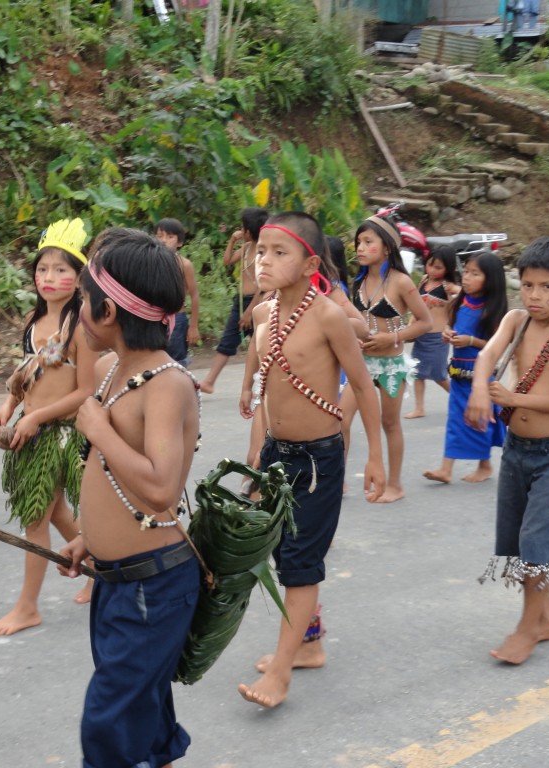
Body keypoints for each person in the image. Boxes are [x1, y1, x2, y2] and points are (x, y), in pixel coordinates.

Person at [57, 227, 201, 766]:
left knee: (109, 722)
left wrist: (99, 429)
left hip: (155, 583)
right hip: (118, 581)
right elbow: (111, 480)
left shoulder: (167, 383)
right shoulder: (108, 370)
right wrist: (89, 540)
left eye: (82, 301)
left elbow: (161, 487)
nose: (76, 313)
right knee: (140, 710)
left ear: (109, 312)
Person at [236, 212, 385, 709]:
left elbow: (363, 385)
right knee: (283, 555)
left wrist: (375, 459)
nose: (265, 261)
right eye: (261, 251)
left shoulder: (328, 316)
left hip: (320, 460)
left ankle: (280, 671)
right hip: (277, 454)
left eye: (280, 253)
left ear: (310, 263)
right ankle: (309, 645)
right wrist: (251, 409)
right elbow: (262, 370)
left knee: (300, 564)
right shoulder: (262, 315)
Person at [467, 236, 549, 665]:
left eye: (547, 287)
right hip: (517, 449)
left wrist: (513, 399)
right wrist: (480, 392)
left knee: (534, 540)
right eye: (528, 285)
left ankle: (527, 627)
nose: (535, 296)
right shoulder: (517, 320)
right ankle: (547, 619)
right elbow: (486, 355)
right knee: (517, 538)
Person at [0, 218, 95, 635]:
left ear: (79, 276)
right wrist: (9, 405)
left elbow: (85, 390)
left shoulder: (80, 326)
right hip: (33, 429)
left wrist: (34, 417)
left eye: (61, 270)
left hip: (61, 435)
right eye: (42, 269)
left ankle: (28, 607)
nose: (49, 278)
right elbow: (29, 373)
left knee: (36, 516)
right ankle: (101, 568)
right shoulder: (35, 323)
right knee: (57, 513)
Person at [340, 215, 432, 503]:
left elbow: (425, 322)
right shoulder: (359, 281)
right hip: (362, 364)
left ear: (387, 248)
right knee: (340, 420)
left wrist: (393, 338)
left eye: (369, 242)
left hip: (391, 366)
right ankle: (336, 480)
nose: (361, 248)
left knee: (390, 423)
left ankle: (395, 485)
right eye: (359, 242)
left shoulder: (402, 282)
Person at [423, 251, 507, 483]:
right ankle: (446, 469)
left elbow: (496, 344)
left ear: (490, 279)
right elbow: (452, 325)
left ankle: (484, 465)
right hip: (458, 373)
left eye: (474, 274)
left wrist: (471, 341)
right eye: (466, 272)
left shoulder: (492, 310)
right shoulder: (460, 302)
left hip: (479, 377)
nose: (467, 278)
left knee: (479, 419)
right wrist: (447, 333)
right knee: (455, 420)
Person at [200, 207, 267, 393]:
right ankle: (209, 381)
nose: (240, 230)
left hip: (257, 302)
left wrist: (249, 312)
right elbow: (227, 261)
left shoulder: (263, 253)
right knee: (228, 340)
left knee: (260, 344)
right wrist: (232, 240)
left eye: (242, 228)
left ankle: (260, 382)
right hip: (240, 302)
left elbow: (263, 286)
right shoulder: (246, 248)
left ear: (249, 230)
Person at [405, 246, 459, 419]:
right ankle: (419, 408)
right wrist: (410, 326)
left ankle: (461, 401)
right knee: (417, 373)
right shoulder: (423, 281)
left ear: (448, 269)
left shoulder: (447, 286)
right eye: (430, 265)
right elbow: (416, 307)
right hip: (422, 335)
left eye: (438, 267)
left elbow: (465, 293)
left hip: (438, 337)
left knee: (439, 375)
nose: (433, 270)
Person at [154, 217, 200, 367]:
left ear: (179, 242)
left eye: (170, 237)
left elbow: (194, 295)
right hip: (154, 318)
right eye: (159, 236)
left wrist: (193, 327)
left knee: (177, 363)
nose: (164, 240)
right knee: (154, 360)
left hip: (177, 320)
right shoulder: (150, 263)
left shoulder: (184, 265)